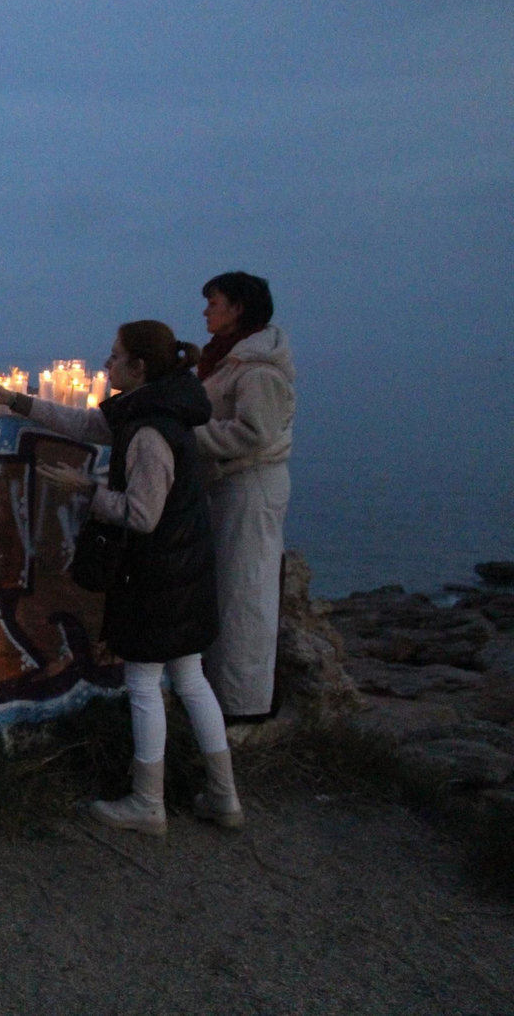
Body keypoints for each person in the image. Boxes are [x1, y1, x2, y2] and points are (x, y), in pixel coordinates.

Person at [0, 321, 243, 835]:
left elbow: (142, 514)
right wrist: (14, 400)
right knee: (191, 679)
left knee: (143, 682)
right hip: (188, 569)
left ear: (138, 368)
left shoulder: (146, 433)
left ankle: (148, 803)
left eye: (114, 357)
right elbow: (86, 426)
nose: (105, 365)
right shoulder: (159, 411)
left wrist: (85, 487)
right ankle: (225, 796)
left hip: (156, 574)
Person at [195, 272, 294, 722]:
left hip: (249, 486)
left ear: (237, 309)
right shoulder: (230, 360)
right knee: (228, 588)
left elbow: (254, 433)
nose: (205, 312)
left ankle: (243, 705)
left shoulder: (258, 370)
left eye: (213, 303)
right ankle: (223, 697)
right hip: (229, 484)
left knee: (244, 592)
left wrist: (187, 436)